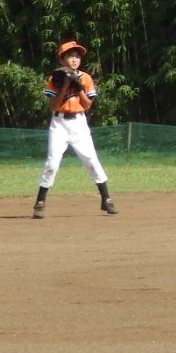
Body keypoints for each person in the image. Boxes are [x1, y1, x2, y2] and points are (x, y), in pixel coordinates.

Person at [32, 40, 115, 219]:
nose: (75, 59)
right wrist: (66, 86)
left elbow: (87, 105)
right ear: (62, 60)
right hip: (59, 124)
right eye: (70, 56)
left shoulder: (85, 78)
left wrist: (78, 88)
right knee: (52, 163)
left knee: (91, 159)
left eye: (77, 56)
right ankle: (40, 202)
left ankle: (106, 199)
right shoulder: (55, 79)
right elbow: (54, 105)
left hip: (79, 123)